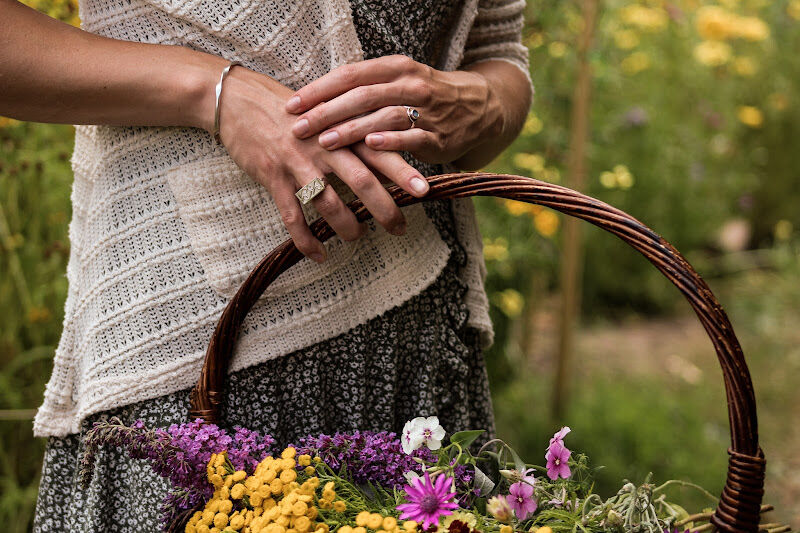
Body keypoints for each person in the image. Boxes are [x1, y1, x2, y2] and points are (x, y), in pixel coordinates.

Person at [1, 0, 533, 529]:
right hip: (200, 369)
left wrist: (486, 103)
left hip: (419, 345)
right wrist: (212, 91)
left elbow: (498, 52)